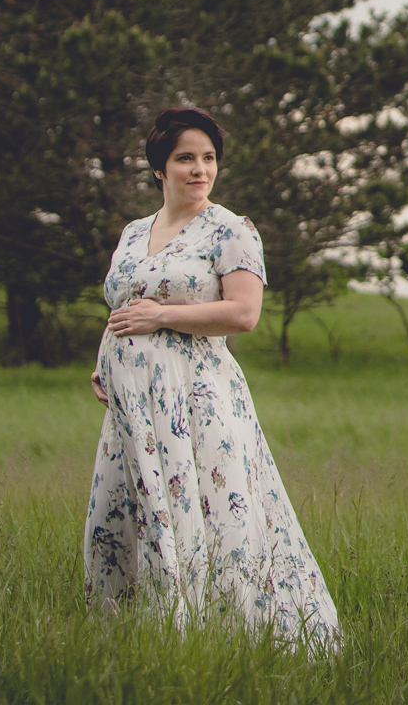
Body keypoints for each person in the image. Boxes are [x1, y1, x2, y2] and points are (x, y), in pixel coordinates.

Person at [84, 105, 339, 648]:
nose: (199, 169)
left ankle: (213, 640)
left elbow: (243, 314)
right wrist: (106, 357)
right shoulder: (134, 232)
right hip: (134, 408)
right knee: (121, 516)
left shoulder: (231, 231)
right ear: (159, 168)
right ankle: (131, 641)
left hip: (196, 400)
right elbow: (123, 304)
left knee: (203, 517)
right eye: (185, 158)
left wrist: (162, 316)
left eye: (208, 158)